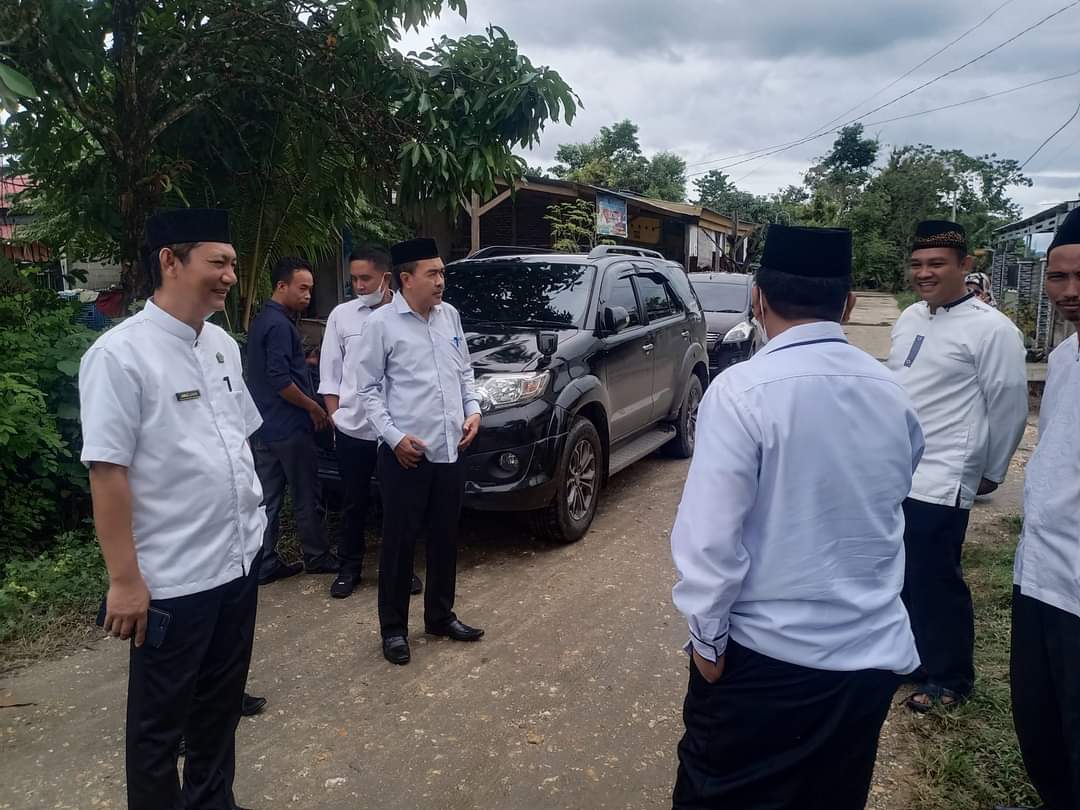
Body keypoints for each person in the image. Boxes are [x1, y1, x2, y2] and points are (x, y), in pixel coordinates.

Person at [670, 225, 924, 810]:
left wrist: (706, 642)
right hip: (867, 660)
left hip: (766, 663)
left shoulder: (741, 391)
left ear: (756, 298)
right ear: (849, 302)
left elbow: (710, 540)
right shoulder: (892, 393)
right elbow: (893, 493)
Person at [79, 208, 264, 809]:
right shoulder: (120, 356)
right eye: (218, 262)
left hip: (237, 567)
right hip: (173, 580)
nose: (230, 275)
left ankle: (215, 802)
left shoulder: (221, 347)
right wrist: (125, 581)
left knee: (219, 711)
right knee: (159, 730)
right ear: (169, 261)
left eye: (232, 263)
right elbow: (108, 473)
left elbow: (239, 440)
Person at [887, 220, 1029, 711]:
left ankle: (950, 678)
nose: (924, 274)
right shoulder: (910, 318)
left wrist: (992, 469)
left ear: (965, 266)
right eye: (918, 265)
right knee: (897, 573)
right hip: (897, 471)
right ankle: (911, 662)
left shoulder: (993, 330)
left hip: (945, 473)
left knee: (933, 579)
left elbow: (1008, 405)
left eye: (937, 264)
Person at [351, 237, 484, 665]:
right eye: (433, 273)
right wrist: (393, 437)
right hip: (406, 454)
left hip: (450, 447)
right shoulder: (381, 325)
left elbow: (464, 371)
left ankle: (441, 616)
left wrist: (474, 409)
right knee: (399, 543)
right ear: (406, 279)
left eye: (442, 272)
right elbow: (367, 390)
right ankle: (393, 629)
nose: (441, 280)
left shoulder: (450, 317)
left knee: (446, 537)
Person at [996, 207, 1080, 810]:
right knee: (1039, 715)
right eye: (1057, 276)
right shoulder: (1066, 358)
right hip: (1041, 576)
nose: (1068, 292)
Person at [319, 245, 422, 599]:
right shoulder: (342, 317)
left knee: (399, 503)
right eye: (354, 280)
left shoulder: (407, 314)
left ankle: (402, 569)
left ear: (386, 278)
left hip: (396, 431)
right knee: (353, 502)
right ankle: (350, 568)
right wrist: (336, 417)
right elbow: (330, 372)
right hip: (354, 430)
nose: (360, 286)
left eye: (366, 278)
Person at [247, 257, 338, 585]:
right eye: (302, 288)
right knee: (305, 493)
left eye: (310, 289)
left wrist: (307, 360)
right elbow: (280, 380)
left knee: (268, 498)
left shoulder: (264, 321)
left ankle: (265, 561)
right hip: (289, 427)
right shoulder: (280, 325)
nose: (308, 295)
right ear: (281, 286)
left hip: (264, 426)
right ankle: (316, 555)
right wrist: (314, 409)